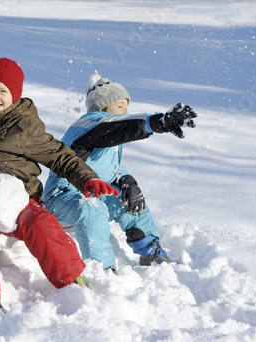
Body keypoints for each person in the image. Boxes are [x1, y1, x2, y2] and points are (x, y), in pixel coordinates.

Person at [0, 58, 119, 302]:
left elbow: (59, 156)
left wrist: (87, 179)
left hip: (19, 200)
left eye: (4, 91)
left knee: (43, 226)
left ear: (14, 94)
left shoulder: (25, 127)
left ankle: (73, 283)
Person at [43, 72, 197, 272]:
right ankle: (102, 269)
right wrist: (156, 123)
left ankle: (150, 251)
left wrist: (127, 182)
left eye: (127, 107)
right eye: (120, 106)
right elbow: (119, 127)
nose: (125, 112)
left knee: (132, 202)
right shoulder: (89, 124)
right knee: (93, 208)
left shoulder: (107, 135)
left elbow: (111, 166)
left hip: (93, 192)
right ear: (102, 107)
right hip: (62, 200)